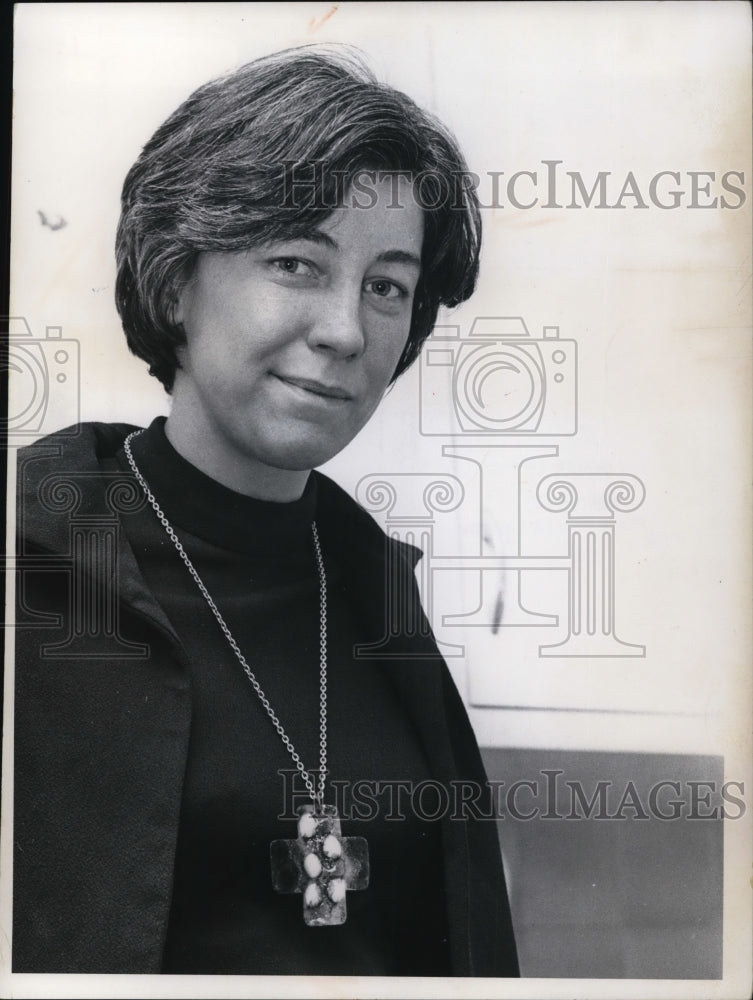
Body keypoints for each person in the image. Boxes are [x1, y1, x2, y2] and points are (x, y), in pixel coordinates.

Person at [13, 45, 519, 977]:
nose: (345, 329)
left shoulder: (378, 593)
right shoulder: (35, 561)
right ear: (175, 284)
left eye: (386, 286)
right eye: (296, 262)